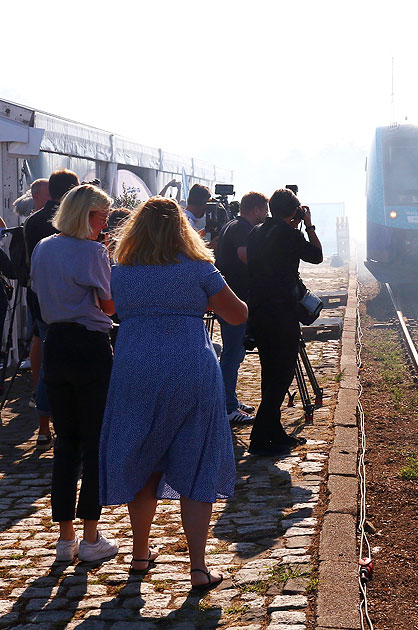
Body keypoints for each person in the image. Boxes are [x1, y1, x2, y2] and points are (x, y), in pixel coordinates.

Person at [99, 197, 246, 587]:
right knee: (197, 459)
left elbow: (109, 309)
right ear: (182, 229)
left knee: (142, 456)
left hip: (134, 369)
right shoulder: (200, 268)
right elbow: (237, 314)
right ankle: (198, 567)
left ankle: (140, 555)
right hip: (189, 368)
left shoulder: (122, 271)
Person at [30, 184, 118, 563]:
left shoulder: (44, 246)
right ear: (88, 216)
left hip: (56, 343)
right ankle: (90, 535)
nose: (105, 224)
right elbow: (109, 305)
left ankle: (65, 538)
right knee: (95, 440)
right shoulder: (93, 251)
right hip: (88, 346)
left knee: (66, 442)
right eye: (102, 217)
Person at [246, 188, 322, 457]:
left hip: (259, 312)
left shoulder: (256, 232)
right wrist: (308, 225)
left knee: (271, 374)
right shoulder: (289, 234)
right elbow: (316, 255)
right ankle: (260, 438)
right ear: (294, 211)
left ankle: (273, 432)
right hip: (282, 313)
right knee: (282, 375)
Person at [25, 170, 79, 446]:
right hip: (72, 301)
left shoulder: (32, 222)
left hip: (41, 297)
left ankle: (44, 427)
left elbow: (27, 266)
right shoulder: (71, 221)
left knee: (47, 359)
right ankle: (71, 424)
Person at [214, 191, 268, 423]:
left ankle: (230, 399)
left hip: (230, 298)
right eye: (264, 209)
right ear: (255, 209)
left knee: (234, 352)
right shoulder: (242, 229)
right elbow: (244, 256)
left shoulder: (231, 225)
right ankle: (227, 407)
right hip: (235, 300)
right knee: (232, 353)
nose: (266, 214)